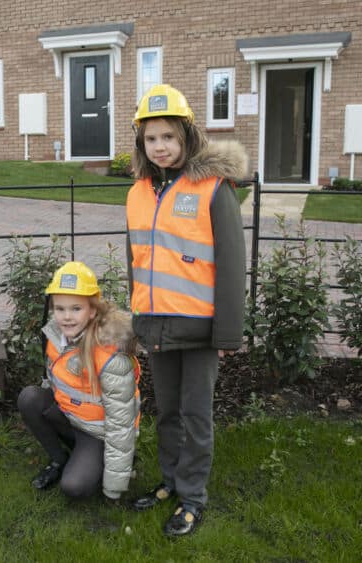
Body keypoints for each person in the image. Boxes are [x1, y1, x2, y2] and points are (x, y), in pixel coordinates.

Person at [125, 84, 247, 537]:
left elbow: (233, 265)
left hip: (199, 328)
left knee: (197, 415)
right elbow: (136, 259)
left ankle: (192, 496)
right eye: (151, 138)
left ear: (188, 137)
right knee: (168, 411)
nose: (160, 146)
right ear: (142, 142)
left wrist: (228, 334)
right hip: (155, 324)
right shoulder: (138, 192)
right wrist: (137, 318)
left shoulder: (214, 189)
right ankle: (171, 481)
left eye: (169, 137)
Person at [17, 261, 141, 501]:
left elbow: (120, 424)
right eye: (60, 309)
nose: (67, 317)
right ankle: (59, 460)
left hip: (97, 432)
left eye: (76, 309)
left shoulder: (110, 354)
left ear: (92, 310)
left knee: (74, 487)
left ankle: (100, 461)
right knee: (29, 398)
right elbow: (55, 382)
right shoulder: (55, 335)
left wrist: (114, 488)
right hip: (70, 416)